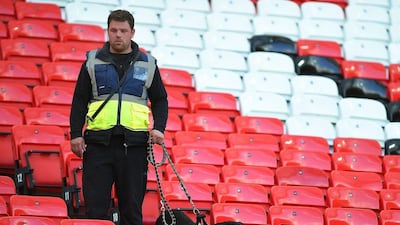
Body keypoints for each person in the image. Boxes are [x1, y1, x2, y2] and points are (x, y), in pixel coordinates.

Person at [69, 9, 168, 225]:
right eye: (113, 30)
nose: (118, 35)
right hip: (97, 146)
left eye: (123, 30)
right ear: (108, 31)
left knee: (132, 212)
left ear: (132, 32)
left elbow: (160, 99)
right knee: (95, 209)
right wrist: (76, 134)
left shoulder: (148, 63)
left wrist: (159, 128)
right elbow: (79, 99)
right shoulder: (92, 61)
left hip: (134, 148)